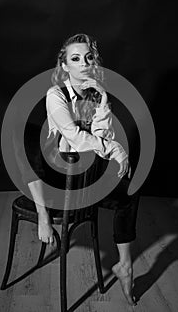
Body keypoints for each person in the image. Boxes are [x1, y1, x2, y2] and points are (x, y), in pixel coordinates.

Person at [27, 33, 138, 306]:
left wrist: (101, 103)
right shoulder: (55, 95)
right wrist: (116, 149)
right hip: (56, 178)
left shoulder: (96, 93)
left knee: (129, 189)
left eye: (88, 57)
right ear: (64, 65)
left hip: (86, 178)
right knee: (29, 142)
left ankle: (125, 266)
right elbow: (75, 137)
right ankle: (42, 214)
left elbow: (100, 138)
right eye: (75, 58)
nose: (83, 63)